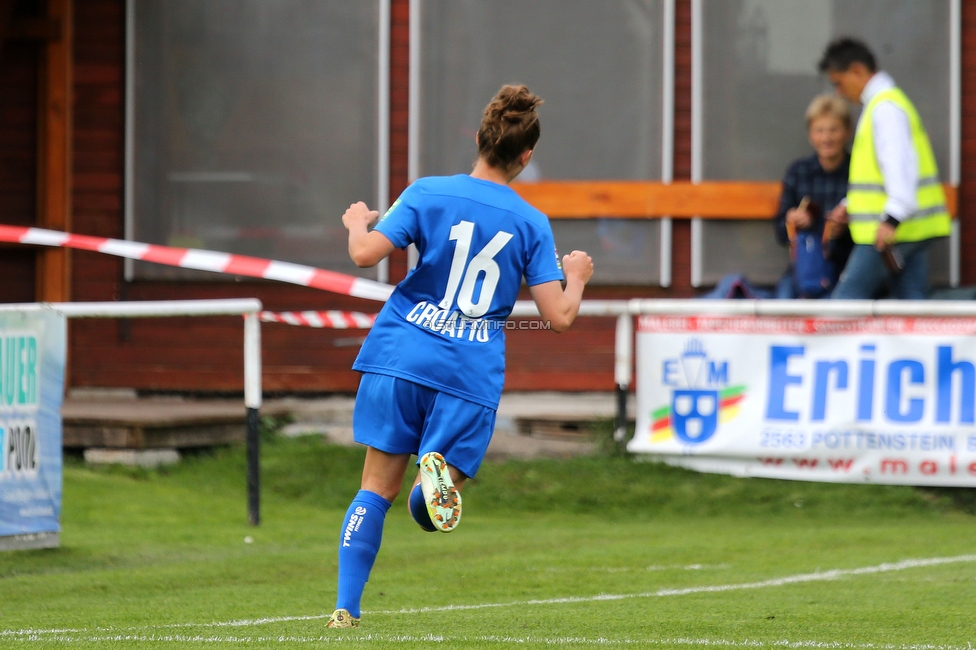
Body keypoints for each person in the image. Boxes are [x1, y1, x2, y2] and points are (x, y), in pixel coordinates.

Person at [327, 84, 594, 629]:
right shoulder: (530, 222)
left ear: (478, 139)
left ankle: (345, 610)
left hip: (400, 353)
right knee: (431, 512)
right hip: (466, 371)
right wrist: (579, 278)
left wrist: (358, 220)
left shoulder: (426, 192)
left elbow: (362, 254)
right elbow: (560, 317)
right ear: (526, 157)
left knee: (373, 487)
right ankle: (432, 491)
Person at [819, 38, 951, 300]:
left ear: (857, 71)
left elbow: (900, 170)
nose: (838, 92)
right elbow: (880, 176)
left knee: (843, 306)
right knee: (911, 309)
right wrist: (850, 205)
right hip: (906, 228)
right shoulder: (886, 105)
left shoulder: (885, 109)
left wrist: (891, 220)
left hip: (886, 232)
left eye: (838, 82)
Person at [773, 95, 854, 299]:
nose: (826, 138)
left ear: (847, 132)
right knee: (782, 306)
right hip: (804, 266)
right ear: (810, 135)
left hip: (846, 266)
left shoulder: (859, 171)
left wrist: (846, 228)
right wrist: (791, 221)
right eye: (819, 130)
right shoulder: (798, 171)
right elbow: (780, 232)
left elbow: (872, 231)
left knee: (839, 310)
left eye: (833, 129)